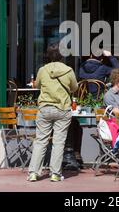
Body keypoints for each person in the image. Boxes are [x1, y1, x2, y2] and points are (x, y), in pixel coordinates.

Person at [27, 43, 78, 182]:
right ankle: (55, 173)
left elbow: (37, 85)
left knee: (40, 141)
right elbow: (74, 88)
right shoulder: (68, 70)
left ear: (48, 55)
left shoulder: (43, 70)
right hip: (62, 108)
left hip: (45, 108)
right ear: (62, 55)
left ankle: (33, 173)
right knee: (59, 142)